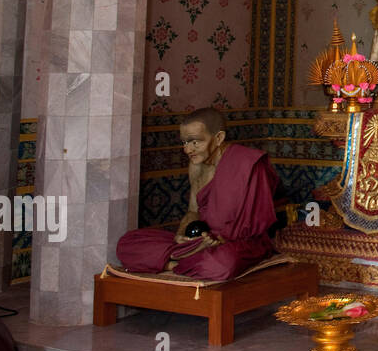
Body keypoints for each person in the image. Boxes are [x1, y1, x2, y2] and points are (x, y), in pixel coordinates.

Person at [115, 108, 279, 280]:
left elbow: (256, 226)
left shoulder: (248, 163)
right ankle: (182, 259)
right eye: (185, 142)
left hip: (237, 243)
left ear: (218, 138)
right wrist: (182, 236)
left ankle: (173, 262)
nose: (187, 150)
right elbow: (193, 211)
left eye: (195, 142)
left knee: (221, 265)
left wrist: (215, 241)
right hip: (200, 241)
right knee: (127, 244)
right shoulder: (196, 165)